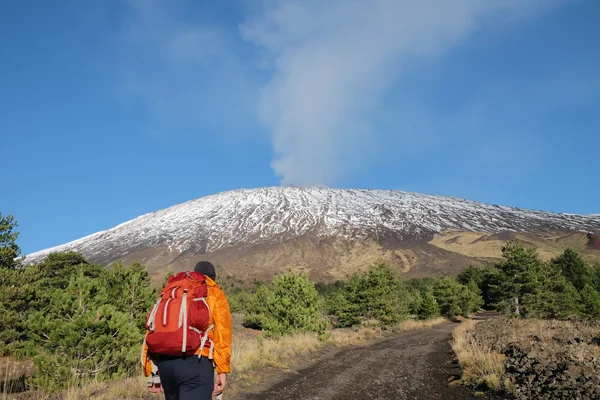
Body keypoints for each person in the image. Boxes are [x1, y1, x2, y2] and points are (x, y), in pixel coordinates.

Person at [142, 261, 232, 400]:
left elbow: (154, 329)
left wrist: (153, 372)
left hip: (166, 365)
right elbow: (222, 334)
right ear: (212, 278)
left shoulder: (172, 292)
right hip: (196, 363)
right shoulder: (214, 293)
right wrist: (222, 370)